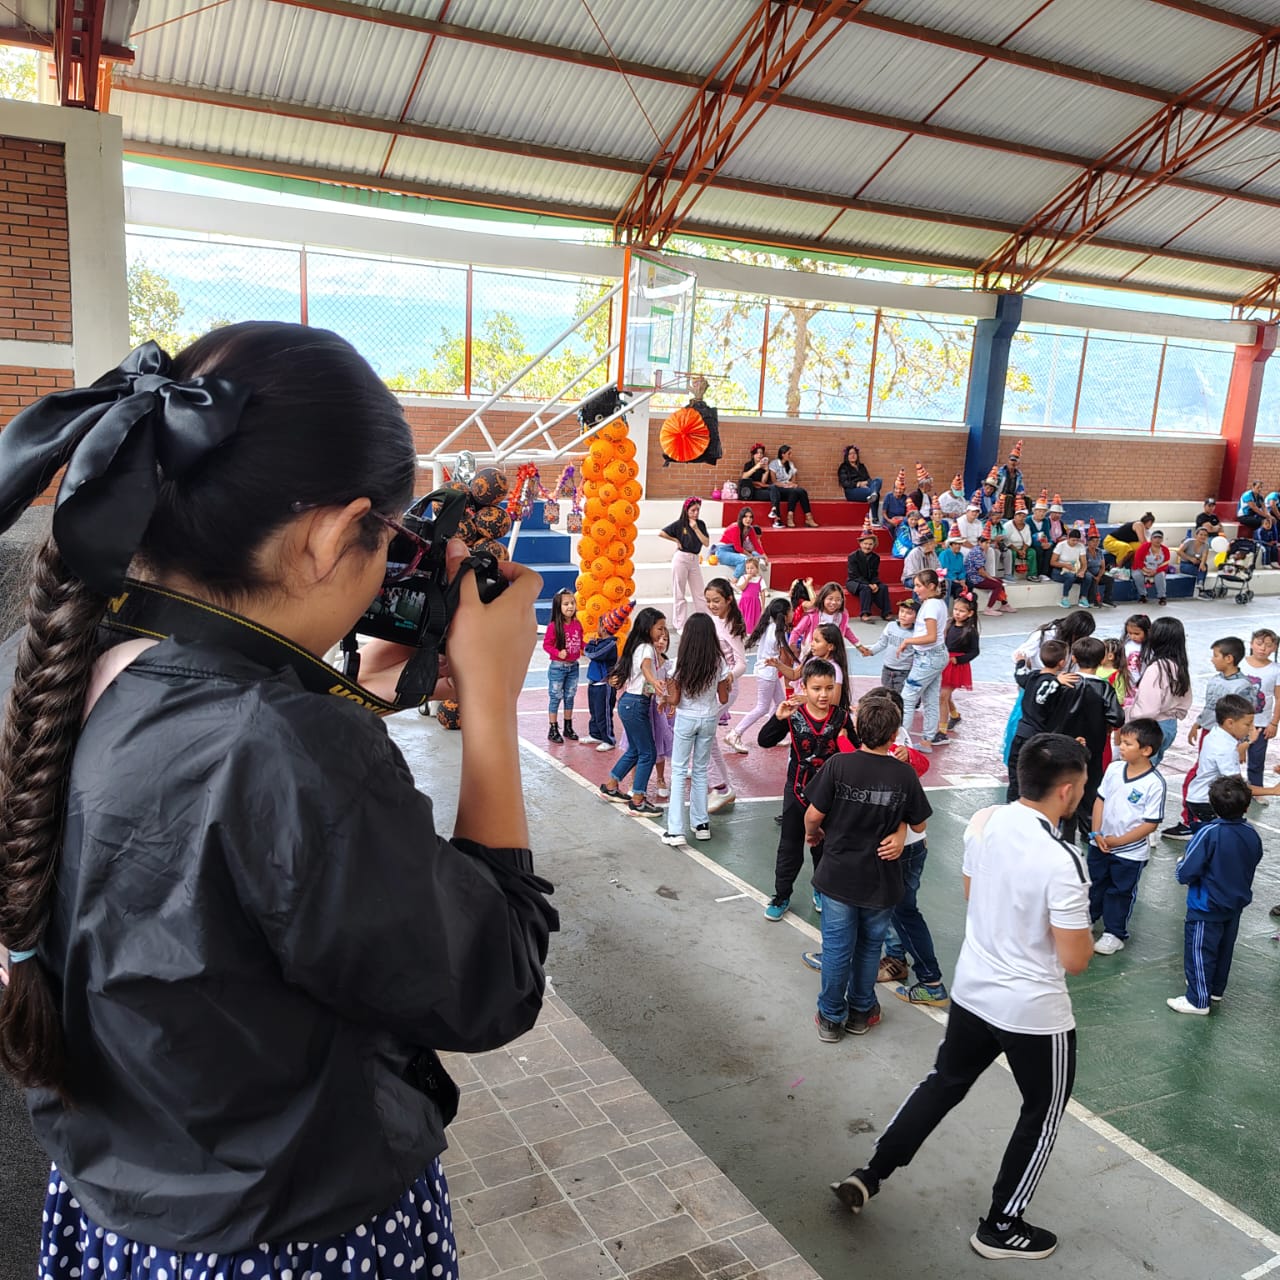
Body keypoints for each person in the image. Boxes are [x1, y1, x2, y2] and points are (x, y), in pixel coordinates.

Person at [0, 324, 557, 1272]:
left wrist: (356, 700)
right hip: (291, 1238)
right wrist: (495, 703)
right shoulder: (288, 748)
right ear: (332, 534)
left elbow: (224, 835)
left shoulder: (40, 663)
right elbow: (492, 984)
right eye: (385, 538)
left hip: (115, 1207)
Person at [831, 734, 1093, 1262]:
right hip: (1033, 1011)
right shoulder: (1064, 860)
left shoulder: (985, 822)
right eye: (1082, 786)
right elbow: (1075, 959)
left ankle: (871, 1173)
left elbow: (975, 893)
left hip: (974, 992)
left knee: (943, 1082)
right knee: (1043, 1110)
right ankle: (1002, 1223)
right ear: (1066, 791)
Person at [806, 695, 930, 1040]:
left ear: (858, 730)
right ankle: (861, 1011)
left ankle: (830, 1017)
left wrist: (812, 835)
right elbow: (919, 825)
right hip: (880, 879)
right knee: (868, 948)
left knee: (836, 947)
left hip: (838, 876)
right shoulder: (904, 775)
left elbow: (814, 814)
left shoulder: (838, 764)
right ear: (894, 735)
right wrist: (901, 825)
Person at [758, 659, 855, 921]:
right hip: (797, 792)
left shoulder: (842, 718)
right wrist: (777, 720)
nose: (823, 694)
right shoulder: (793, 714)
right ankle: (781, 895)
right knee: (789, 847)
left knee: (824, 848)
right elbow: (763, 741)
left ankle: (821, 890)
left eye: (828, 688)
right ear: (804, 687)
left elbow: (856, 755)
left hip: (830, 798)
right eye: (816, 688)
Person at [1169, 776, 1263, 1015]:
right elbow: (1254, 858)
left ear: (1212, 805)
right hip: (1235, 904)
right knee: (1224, 949)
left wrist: (1180, 869)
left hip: (1206, 905)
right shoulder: (1251, 833)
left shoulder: (1209, 833)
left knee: (1200, 950)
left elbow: (1188, 869)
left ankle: (1198, 999)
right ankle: (1215, 989)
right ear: (1246, 806)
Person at [1089, 718, 1166, 955]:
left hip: (1128, 852)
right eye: (1121, 742)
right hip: (1100, 842)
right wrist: (1096, 832)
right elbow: (1100, 800)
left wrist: (1118, 841)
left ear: (1146, 750)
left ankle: (1114, 933)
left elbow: (1150, 824)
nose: (1121, 747)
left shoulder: (1155, 784)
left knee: (1120, 891)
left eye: (1128, 743)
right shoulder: (1113, 769)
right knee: (1094, 885)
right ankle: (1086, 920)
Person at [1163, 636, 1250, 840]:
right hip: (1210, 733)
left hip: (1227, 738)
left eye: (1215, 655)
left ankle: (1192, 821)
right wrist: (1198, 723)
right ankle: (1192, 820)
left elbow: (1246, 717)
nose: (1212, 660)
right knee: (1203, 774)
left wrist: (1244, 742)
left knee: (1204, 778)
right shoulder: (1215, 680)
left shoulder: (1243, 686)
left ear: (1229, 658)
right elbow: (1210, 707)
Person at [660, 614, 733, 847]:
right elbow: (723, 697)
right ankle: (701, 824)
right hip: (709, 718)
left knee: (679, 771)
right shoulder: (719, 662)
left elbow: (675, 698)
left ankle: (675, 830)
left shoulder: (680, 662)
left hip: (686, 719)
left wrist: (665, 695)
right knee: (700, 771)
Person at [599, 607, 668, 814]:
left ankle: (611, 786)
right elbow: (646, 668)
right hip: (636, 704)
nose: (663, 633)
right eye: (660, 628)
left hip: (629, 703)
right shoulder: (646, 649)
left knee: (636, 750)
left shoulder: (637, 647)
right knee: (648, 752)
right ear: (648, 628)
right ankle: (638, 799)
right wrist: (654, 681)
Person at [1060, 637, 1125, 844]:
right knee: (1090, 791)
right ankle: (1089, 834)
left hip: (1065, 747)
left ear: (1074, 658)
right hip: (1094, 747)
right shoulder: (1104, 688)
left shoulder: (1065, 684)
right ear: (1102, 659)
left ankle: (1065, 838)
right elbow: (1117, 718)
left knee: (1065, 789)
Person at [1182, 694, 1280, 830]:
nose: (1251, 728)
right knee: (1221, 838)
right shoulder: (1224, 749)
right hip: (1207, 803)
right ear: (1230, 723)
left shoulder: (1216, 733)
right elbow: (1238, 788)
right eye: (1247, 724)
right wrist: (1273, 790)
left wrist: (1249, 742)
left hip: (1199, 796)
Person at [1006, 640, 1082, 802]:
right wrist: (1056, 682)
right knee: (1035, 777)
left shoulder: (1032, 677)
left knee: (1015, 773)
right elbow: (1044, 696)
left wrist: (1020, 661)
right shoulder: (1055, 685)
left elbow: (1020, 675)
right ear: (1062, 663)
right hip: (1038, 737)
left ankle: (1011, 804)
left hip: (1021, 732)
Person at [726, 597, 794, 754]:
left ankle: (774, 732)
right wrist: (791, 676)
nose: (792, 613)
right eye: (790, 611)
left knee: (780, 703)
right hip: (768, 673)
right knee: (762, 707)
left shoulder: (769, 627)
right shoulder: (778, 632)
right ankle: (735, 733)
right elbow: (786, 658)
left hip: (765, 671)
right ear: (784, 615)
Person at [704, 578, 748, 814]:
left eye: (716, 601)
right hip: (712, 686)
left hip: (725, 688)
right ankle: (724, 787)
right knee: (707, 739)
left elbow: (742, 663)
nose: (711, 605)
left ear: (729, 599)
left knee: (700, 734)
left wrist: (729, 677)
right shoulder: (714, 620)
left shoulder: (731, 626)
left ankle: (720, 788)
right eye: (709, 601)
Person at [897, 569, 949, 751]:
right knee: (930, 698)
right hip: (935, 655)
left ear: (931, 586)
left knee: (908, 698)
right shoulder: (937, 603)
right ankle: (927, 739)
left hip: (928, 657)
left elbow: (932, 636)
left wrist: (908, 640)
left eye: (919, 586)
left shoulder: (931, 606)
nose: (916, 589)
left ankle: (899, 740)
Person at [1129, 615, 1192, 763]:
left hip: (1151, 727)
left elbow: (1147, 709)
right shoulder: (1179, 665)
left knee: (1140, 771)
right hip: (1170, 724)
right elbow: (1185, 699)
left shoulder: (1157, 668)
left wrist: (1128, 716)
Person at [661, 496, 710, 630]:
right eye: (693, 510)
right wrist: (675, 540)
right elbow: (662, 533)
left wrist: (696, 529)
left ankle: (704, 622)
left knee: (699, 592)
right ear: (686, 510)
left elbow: (706, 543)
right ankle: (680, 625)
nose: (695, 513)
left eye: (698, 510)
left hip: (694, 559)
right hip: (681, 558)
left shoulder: (700, 524)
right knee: (679, 592)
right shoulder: (679, 524)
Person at [543, 587, 583, 742]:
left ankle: (568, 726)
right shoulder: (554, 626)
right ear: (559, 607)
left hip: (573, 666)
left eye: (572, 603)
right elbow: (546, 645)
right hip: (558, 667)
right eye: (566, 604)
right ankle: (553, 728)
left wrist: (589, 647)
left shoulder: (577, 624)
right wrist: (557, 653)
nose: (570, 607)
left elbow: (580, 642)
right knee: (555, 697)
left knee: (570, 696)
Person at [1241, 627, 1280, 785]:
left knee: (1257, 760)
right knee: (1230, 756)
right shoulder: (1240, 663)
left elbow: (1278, 697)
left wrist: (1274, 723)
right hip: (1237, 722)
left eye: (1268, 645)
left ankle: (1256, 789)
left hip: (1261, 724)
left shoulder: (1276, 670)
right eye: (1259, 643)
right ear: (1251, 644)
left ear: (1275, 647)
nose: (1263, 648)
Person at [857, 599, 916, 693]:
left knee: (901, 697)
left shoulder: (916, 633)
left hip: (904, 671)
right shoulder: (891, 626)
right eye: (901, 611)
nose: (903, 615)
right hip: (887, 669)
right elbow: (882, 643)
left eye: (908, 613)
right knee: (887, 694)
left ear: (916, 617)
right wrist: (871, 651)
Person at [789, 580, 860, 652]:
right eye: (830, 599)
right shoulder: (812, 615)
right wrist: (792, 645)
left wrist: (858, 645)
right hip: (812, 652)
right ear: (823, 599)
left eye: (838, 599)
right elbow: (797, 631)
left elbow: (846, 629)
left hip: (833, 652)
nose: (834, 602)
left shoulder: (841, 615)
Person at [846, 525, 892, 622]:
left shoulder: (876, 557)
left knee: (883, 587)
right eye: (865, 543)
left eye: (870, 544)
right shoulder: (853, 556)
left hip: (869, 580)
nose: (867, 546)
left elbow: (874, 573)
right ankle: (865, 613)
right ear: (860, 544)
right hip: (854, 581)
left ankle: (886, 612)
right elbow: (854, 575)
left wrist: (875, 583)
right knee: (865, 588)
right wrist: (869, 584)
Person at [964, 530, 1014, 615]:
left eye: (988, 543)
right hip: (973, 578)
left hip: (978, 576)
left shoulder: (980, 550)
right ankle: (988, 608)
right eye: (985, 543)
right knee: (997, 584)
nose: (987, 545)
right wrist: (991, 578)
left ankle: (1004, 604)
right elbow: (981, 571)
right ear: (980, 542)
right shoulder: (977, 552)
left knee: (1000, 581)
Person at [713, 505, 767, 577]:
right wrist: (750, 556)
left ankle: (760, 563)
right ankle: (735, 581)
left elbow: (756, 545)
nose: (748, 519)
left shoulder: (750, 529)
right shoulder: (736, 527)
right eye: (746, 516)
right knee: (744, 560)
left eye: (750, 517)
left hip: (734, 551)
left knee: (755, 554)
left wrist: (764, 556)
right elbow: (738, 547)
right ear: (741, 518)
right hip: (723, 551)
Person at [769, 445, 816, 528]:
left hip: (789, 488)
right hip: (779, 489)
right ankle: (791, 518)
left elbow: (794, 478)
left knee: (801, 491)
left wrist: (792, 484)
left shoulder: (790, 464)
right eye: (789, 453)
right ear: (783, 454)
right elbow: (774, 482)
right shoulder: (774, 463)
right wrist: (785, 485)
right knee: (796, 491)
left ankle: (808, 518)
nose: (791, 456)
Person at [838, 445, 883, 522]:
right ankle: (875, 519)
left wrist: (865, 484)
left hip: (865, 489)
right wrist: (858, 484)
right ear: (847, 456)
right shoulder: (843, 467)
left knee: (878, 480)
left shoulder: (861, 466)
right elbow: (845, 483)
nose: (853, 455)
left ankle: (873, 494)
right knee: (874, 494)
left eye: (854, 453)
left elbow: (868, 479)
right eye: (850, 454)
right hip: (851, 491)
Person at [1050, 525, 1089, 608]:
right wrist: (1065, 565)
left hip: (1074, 569)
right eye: (1073, 540)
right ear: (1068, 538)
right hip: (1059, 571)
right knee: (1070, 577)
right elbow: (1052, 562)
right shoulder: (1061, 545)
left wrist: (1082, 571)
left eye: (1077, 540)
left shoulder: (1080, 546)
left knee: (1088, 577)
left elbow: (1084, 563)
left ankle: (1083, 598)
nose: (1075, 542)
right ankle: (1064, 598)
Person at [1132, 529, 1171, 605]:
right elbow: (1137, 560)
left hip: (1157, 569)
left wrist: (1155, 571)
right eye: (1155, 537)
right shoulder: (1144, 547)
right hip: (1142, 568)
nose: (1157, 540)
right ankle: (1143, 595)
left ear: (1162, 539)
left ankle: (1162, 597)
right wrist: (1145, 570)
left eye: (1159, 538)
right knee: (1137, 575)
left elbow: (1166, 563)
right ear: (1151, 539)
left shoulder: (1165, 550)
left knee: (1161, 576)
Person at [1001, 501, 1039, 579]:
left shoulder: (1027, 526)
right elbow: (1006, 541)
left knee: (1032, 552)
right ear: (1015, 516)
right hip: (1011, 547)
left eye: (1024, 516)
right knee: (1012, 554)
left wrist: (1024, 550)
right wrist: (1018, 551)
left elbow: (1028, 541)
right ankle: (1009, 574)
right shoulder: (1008, 526)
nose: (1022, 518)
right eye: (1019, 516)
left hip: (1023, 548)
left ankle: (1032, 574)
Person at [1174, 525, 1211, 592]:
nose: (1203, 537)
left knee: (1204, 566)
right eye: (1201, 534)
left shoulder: (1206, 545)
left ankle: (1200, 584)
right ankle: (1201, 584)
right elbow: (1179, 552)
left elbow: (1204, 555)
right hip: (1185, 563)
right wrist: (1190, 559)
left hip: (1196, 563)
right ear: (1196, 535)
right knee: (1200, 571)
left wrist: (1202, 564)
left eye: (1205, 535)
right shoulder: (1189, 542)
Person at [1083, 526, 1114, 607]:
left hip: (1098, 573)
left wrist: (1099, 576)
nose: (1096, 543)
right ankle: (1092, 601)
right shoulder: (1084, 552)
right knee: (1091, 579)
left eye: (1097, 541)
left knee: (1109, 579)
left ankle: (1107, 600)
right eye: (1093, 541)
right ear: (1088, 542)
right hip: (1088, 573)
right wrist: (1095, 577)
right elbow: (1084, 567)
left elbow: (1102, 567)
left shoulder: (1099, 551)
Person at [995, 443, 1026, 520]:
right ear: (1008, 460)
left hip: (1013, 497)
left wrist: (1021, 493)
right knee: (1008, 498)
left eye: (1015, 461)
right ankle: (1007, 518)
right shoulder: (1000, 472)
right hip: (1000, 496)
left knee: (1026, 499)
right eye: (1012, 460)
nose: (1013, 462)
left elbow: (1020, 487)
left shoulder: (1019, 475)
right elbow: (995, 485)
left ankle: (1023, 518)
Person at [734, 556, 764, 632]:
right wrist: (747, 580)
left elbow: (762, 592)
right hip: (745, 602)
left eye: (752, 568)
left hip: (754, 603)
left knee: (753, 619)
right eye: (747, 568)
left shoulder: (760, 579)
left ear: (757, 569)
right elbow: (741, 588)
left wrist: (763, 606)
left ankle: (751, 633)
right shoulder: (743, 577)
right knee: (743, 618)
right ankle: (742, 631)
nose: (750, 570)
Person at [882, 469, 909, 534]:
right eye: (897, 489)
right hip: (889, 520)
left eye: (901, 489)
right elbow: (884, 513)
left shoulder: (906, 498)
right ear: (894, 489)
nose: (899, 491)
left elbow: (908, 513)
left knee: (904, 527)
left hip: (901, 520)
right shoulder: (888, 496)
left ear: (904, 490)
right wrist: (890, 521)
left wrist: (901, 519)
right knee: (891, 527)